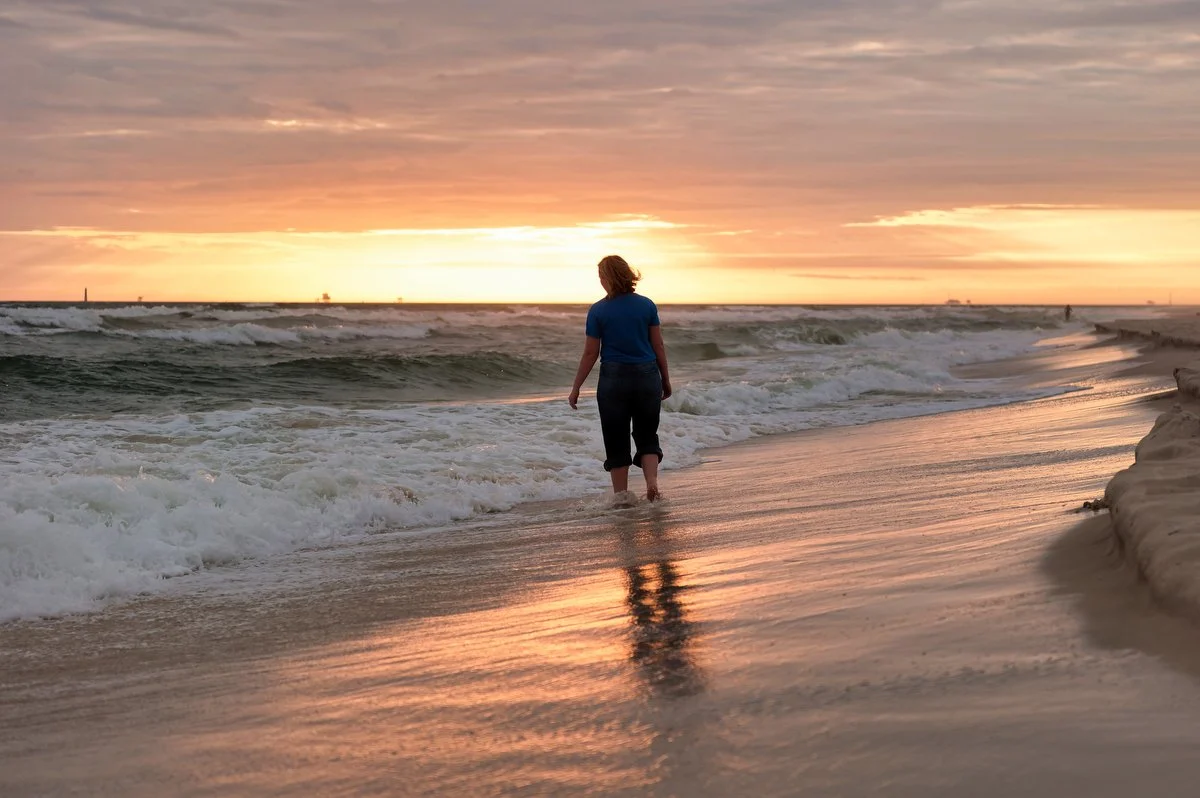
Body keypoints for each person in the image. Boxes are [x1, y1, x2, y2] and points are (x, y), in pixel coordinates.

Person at [568, 255, 672, 502]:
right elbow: (657, 345)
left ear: (607, 278)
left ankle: (622, 496)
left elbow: (590, 353)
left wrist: (576, 386)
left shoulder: (598, 310)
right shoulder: (647, 305)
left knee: (616, 437)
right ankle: (652, 483)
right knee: (647, 435)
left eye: (601, 277)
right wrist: (665, 378)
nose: (601, 282)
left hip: (614, 379)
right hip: (647, 375)